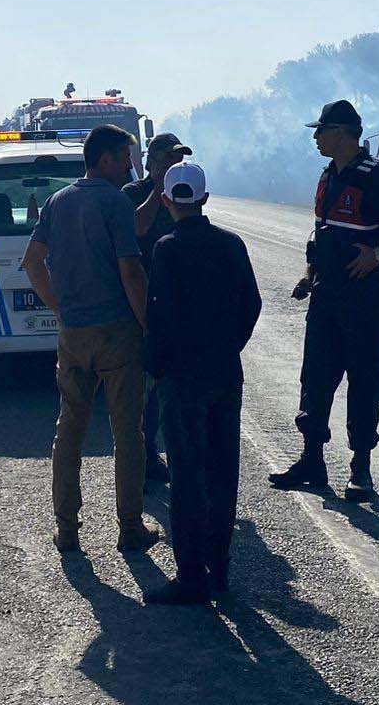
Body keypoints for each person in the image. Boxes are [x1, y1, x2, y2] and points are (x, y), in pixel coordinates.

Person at [270, 99, 379, 494]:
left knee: (363, 380)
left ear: (341, 133)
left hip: (364, 299)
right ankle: (312, 461)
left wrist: (378, 255)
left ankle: (361, 467)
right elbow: (321, 232)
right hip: (326, 296)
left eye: (320, 131)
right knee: (316, 379)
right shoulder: (328, 174)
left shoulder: (377, 175)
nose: (315, 138)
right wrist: (309, 274)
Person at [23, 124, 162, 555]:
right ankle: (130, 526)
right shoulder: (115, 201)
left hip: (73, 335)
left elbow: (32, 263)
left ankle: (66, 529)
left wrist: (60, 309)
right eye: (124, 158)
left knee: (70, 431)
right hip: (117, 334)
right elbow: (131, 271)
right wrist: (148, 326)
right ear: (105, 159)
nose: (128, 165)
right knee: (128, 434)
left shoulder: (58, 201)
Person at [141, 161, 261, 606]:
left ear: (169, 200)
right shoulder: (232, 245)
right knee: (222, 471)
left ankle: (191, 576)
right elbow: (251, 303)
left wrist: (155, 366)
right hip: (224, 373)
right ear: (205, 199)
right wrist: (229, 346)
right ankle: (219, 569)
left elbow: (160, 315)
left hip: (182, 378)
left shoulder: (167, 249)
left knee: (187, 477)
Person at [122, 132, 192, 486]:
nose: (174, 165)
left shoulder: (184, 194)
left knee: (177, 384)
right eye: (167, 159)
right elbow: (138, 226)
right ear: (150, 163)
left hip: (178, 301)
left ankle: (176, 452)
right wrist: (157, 189)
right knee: (145, 386)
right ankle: (145, 453)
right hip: (142, 302)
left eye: (178, 160)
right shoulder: (132, 194)